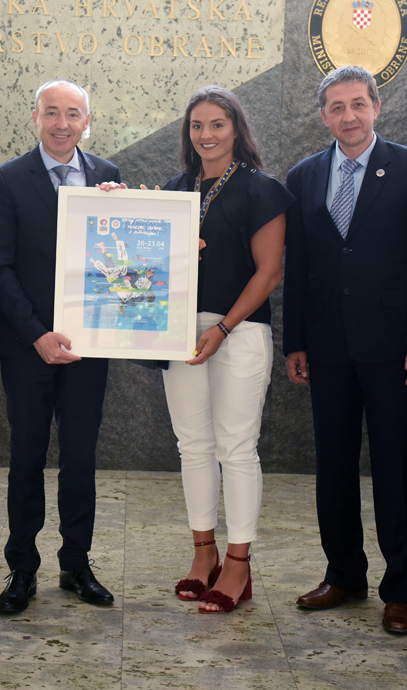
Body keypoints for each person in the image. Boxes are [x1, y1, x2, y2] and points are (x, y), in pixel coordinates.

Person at [283, 65, 407, 634]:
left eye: (358, 104)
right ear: (323, 116)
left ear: (377, 106)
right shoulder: (303, 175)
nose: (348, 116)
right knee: (333, 464)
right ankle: (344, 574)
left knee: (398, 468)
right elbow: (299, 265)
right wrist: (295, 341)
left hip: (394, 348)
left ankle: (400, 591)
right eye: (337, 107)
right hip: (328, 346)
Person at [0, 79, 121, 614]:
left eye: (73, 114)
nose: (62, 124)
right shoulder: (6, 179)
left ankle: (76, 564)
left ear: (87, 120)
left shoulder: (108, 175)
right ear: (35, 117)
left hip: (89, 346)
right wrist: (36, 334)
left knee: (81, 457)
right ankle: (22, 567)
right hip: (29, 346)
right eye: (52, 113)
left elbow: (121, 255)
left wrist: (124, 209)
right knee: (26, 456)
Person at [159, 86, 292, 614]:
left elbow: (269, 272)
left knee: (236, 449)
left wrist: (223, 328)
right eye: (197, 125)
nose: (206, 134)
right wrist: (112, 201)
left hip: (239, 332)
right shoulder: (175, 189)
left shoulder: (262, 189)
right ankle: (203, 554)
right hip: (178, 331)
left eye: (217, 124)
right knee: (192, 446)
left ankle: (238, 564)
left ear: (236, 128)